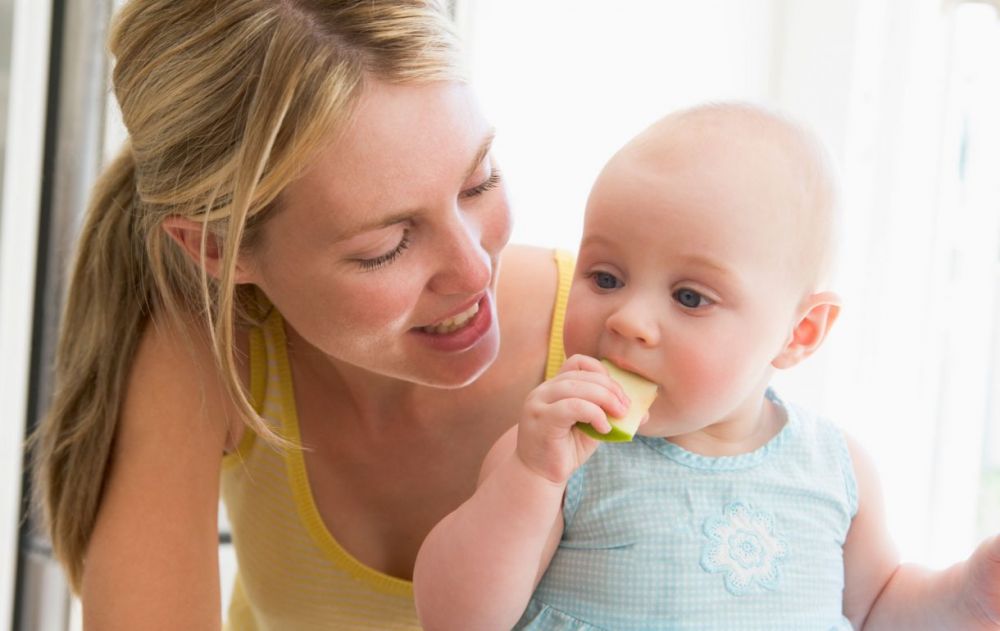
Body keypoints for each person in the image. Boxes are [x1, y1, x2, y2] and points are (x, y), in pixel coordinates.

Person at [30, 1, 577, 629]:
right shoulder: (216, 347)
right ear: (216, 248)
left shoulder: (632, 343)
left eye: (478, 182)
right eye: (384, 247)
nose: (475, 271)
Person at [412, 102, 1000, 630]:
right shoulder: (553, 455)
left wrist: (967, 597)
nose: (628, 321)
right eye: (606, 278)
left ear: (799, 334)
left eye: (690, 297)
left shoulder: (834, 470)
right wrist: (532, 481)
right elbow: (456, 618)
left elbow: (876, 612)